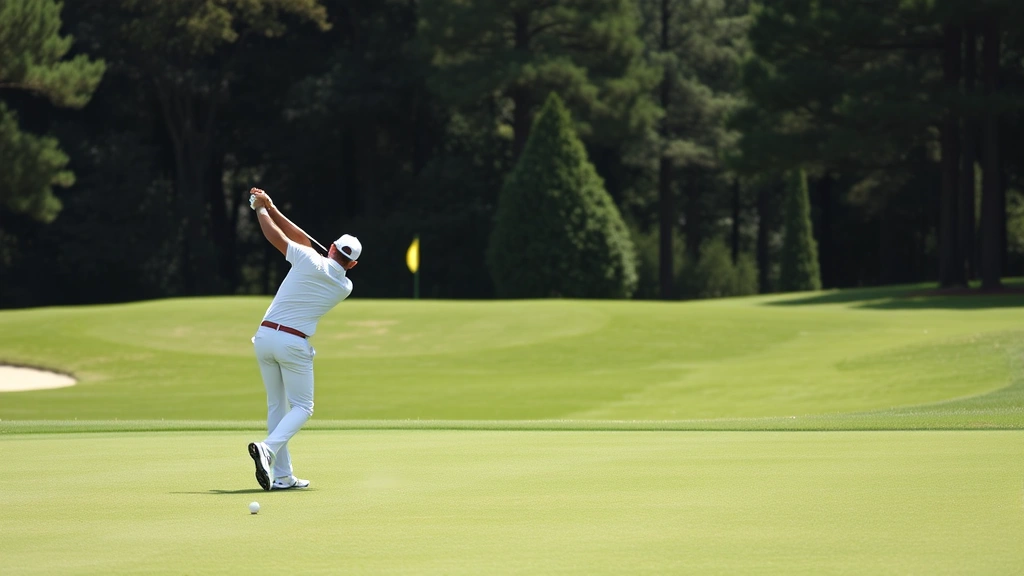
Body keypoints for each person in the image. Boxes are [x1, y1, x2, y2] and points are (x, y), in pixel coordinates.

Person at [246, 187, 361, 491]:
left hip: (265, 336)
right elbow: (302, 240)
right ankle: (268, 449)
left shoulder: (308, 258)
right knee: (303, 407)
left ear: (332, 246)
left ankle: (282, 476)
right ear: (353, 265)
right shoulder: (344, 286)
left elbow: (280, 238)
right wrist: (269, 206)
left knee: (277, 406)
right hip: (292, 344)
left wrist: (261, 209)